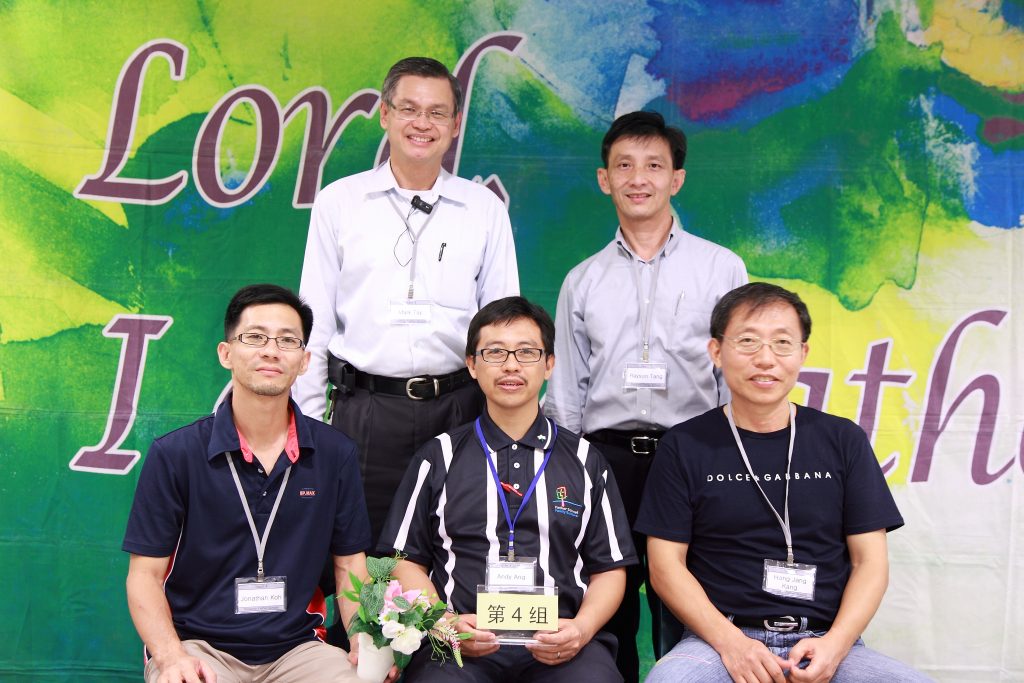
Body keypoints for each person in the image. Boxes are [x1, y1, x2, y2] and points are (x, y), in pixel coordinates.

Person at [636, 282, 931, 682]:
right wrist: (733, 645)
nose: (765, 359)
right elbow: (665, 566)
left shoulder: (842, 440)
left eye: (782, 343)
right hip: (718, 642)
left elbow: (870, 562)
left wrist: (836, 646)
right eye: (748, 342)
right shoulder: (684, 445)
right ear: (716, 352)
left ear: (803, 353)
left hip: (826, 640)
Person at [542, 110, 747, 680]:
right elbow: (567, 391)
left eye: (654, 166)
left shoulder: (721, 268)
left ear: (676, 178)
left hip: (694, 457)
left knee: (690, 604)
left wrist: (731, 461)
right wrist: (567, 470)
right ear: (604, 178)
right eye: (624, 166)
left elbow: (734, 373)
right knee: (604, 608)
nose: (639, 179)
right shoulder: (583, 279)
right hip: (604, 462)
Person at [295, 56, 519, 543]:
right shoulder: (340, 202)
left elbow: (505, 328)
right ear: (385, 114)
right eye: (409, 109)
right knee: (365, 557)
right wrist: (311, 426)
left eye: (437, 113)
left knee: (460, 548)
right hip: (366, 410)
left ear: (455, 124)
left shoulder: (484, 210)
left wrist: (504, 421)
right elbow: (314, 321)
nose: (422, 124)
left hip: (460, 409)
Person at [378, 296, 637, 682]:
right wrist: (444, 623)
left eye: (527, 352)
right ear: (472, 364)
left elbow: (610, 568)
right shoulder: (438, 457)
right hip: (458, 647)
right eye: (495, 352)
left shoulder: (586, 460)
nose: (511, 365)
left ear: (549, 364)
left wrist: (581, 630)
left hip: (561, 647)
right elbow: (403, 559)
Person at [123, 284, 373, 683]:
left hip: (299, 649)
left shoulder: (335, 454)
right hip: (199, 647)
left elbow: (349, 566)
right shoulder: (176, 454)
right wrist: (170, 657)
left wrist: (362, 640)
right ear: (226, 353)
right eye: (255, 337)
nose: (271, 351)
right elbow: (145, 576)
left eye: (287, 340)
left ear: (305, 360)